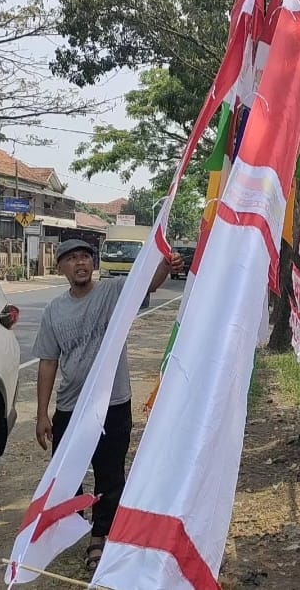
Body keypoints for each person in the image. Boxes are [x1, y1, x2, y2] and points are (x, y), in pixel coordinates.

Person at [32, 238, 183, 570]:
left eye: (85, 256)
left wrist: (164, 266)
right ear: (61, 268)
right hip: (71, 405)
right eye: (72, 259)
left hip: (113, 402)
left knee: (109, 472)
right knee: (66, 473)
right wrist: (42, 413)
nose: (80, 263)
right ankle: (72, 526)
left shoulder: (113, 292)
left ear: (94, 263)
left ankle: (101, 535)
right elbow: (47, 362)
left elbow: (148, 284)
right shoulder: (54, 311)